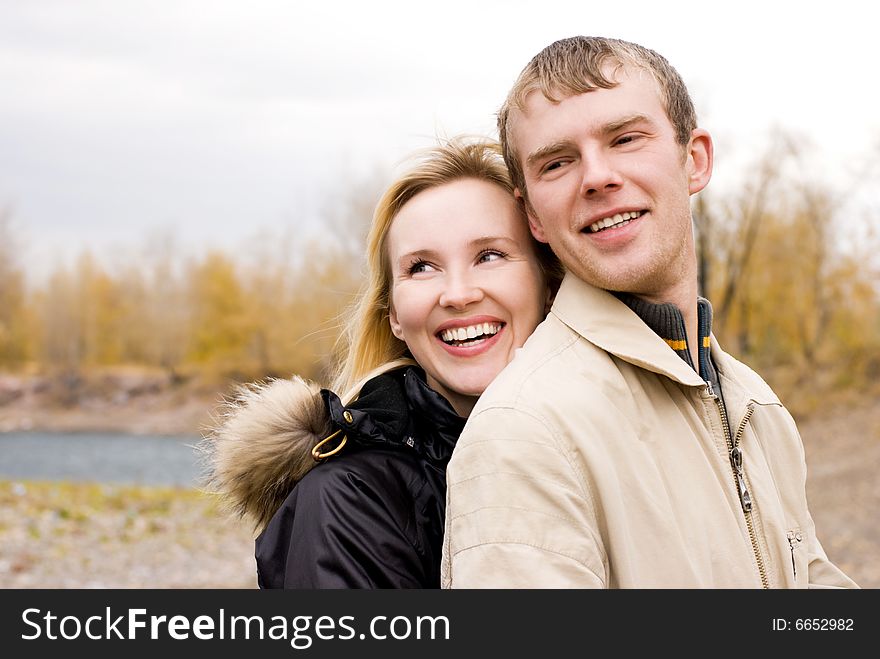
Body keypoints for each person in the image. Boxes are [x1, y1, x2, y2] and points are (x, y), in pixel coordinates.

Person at [441, 37, 857, 588]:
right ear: (533, 217)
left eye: (626, 139)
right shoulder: (522, 433)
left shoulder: (755, 403)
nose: (596, 176)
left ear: (695, 158)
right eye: (557, 162)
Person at [202, 137, 562, 588]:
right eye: (422, 268)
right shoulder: (348, 499)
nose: (458, 293)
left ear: (548, 285)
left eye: (489, 256)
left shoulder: (612, 444)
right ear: (392, 315)